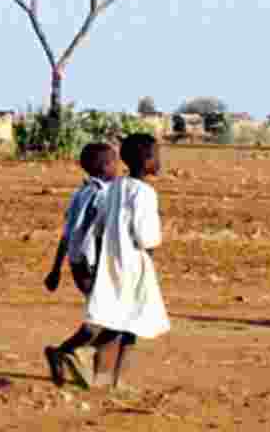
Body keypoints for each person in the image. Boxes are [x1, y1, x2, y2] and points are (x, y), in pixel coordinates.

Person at [84, 133, 169, 390]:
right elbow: (147, 237)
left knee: (114, 318)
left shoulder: (116, 187)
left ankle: (100, 377)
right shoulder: (145, 193)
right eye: (156, 156)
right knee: (132, 322)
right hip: (134, 263)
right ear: (146, 161)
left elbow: (98, 228)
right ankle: (118, 380)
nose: (159, 162)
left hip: (110, 262)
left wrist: (99, 261)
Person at [43, 143, 118, 388]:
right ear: (103, 167)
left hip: (78, 264)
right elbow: (100, 233)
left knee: (102, 317)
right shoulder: (103, 194)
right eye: (113, 162)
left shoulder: (80, 192)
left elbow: (67, 234)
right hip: (94, 264)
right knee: (106, 321)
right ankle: (66, 352)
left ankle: (82, 360)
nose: (117, 167)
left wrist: (56, 269)